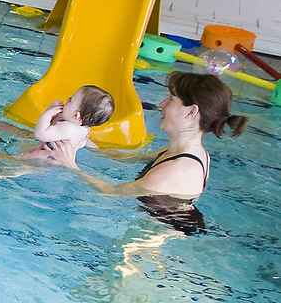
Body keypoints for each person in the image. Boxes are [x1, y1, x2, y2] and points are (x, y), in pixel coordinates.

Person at [47, 72, 246, 206]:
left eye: (170, 99)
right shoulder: (184, 153)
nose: (161, 104)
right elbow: (124, 158)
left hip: (150, 240)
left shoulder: (176, 170)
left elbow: (111, 192)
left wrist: (71, 166)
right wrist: (84, 139)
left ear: (191, 112)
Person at [24, 85, 114, 158]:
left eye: (70, 100)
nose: (67, 99)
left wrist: (48, 113)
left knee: (24, 158)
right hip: (53, 162)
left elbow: (40, 134)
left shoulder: (68, 128)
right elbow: (84, 142)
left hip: (43, 158)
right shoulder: (84, 130)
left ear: (76, 116)